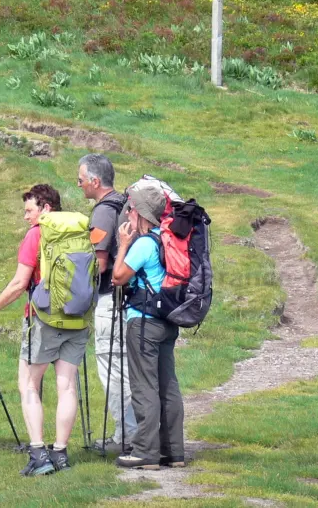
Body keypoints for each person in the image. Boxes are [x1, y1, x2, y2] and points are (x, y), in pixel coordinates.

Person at [0, 184, 87, 476]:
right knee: (67, 386)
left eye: (29, 210)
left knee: (28, 383)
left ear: (46, 208)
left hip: (43, 318)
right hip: (78, 317)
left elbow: (19, 283)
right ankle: (60, 454)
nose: (25, 216)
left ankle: (38, 454)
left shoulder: (36, 235)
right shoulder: (79, 232)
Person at [111, 181, 185, 470]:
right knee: (168, 386)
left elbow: (118, 277)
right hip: (167, 321)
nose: (127, 213)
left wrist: (124, 244)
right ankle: (173, 452)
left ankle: (145, 452)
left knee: (144, 387)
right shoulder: (167, 239)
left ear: (140, 213)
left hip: (143, 323)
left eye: (130, 208)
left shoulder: (143, 244)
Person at [77, 153, 135, 452]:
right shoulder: (126, 205)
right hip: (130, 301)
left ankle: (125, 436)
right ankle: (137, 432)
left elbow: (99, 264)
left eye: (80, 180)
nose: (79, 185)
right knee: (127, 366)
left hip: (110, 302)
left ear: (95, 181)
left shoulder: (102, 213)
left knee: (112, 368)